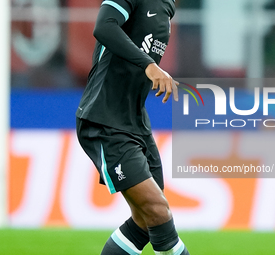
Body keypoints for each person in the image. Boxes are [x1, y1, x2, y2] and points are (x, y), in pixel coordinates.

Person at [76, 0, 190, 254]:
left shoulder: (167, 6)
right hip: (104, 119)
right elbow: (104, 26)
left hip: (136, 123)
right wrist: (149, 64)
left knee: (145, 220)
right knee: (157, 211)